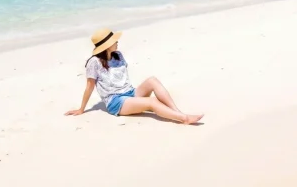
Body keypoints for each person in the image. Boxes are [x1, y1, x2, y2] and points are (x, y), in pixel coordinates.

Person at [66, 28, 203, 124]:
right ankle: (184, 119)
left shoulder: (118, 55)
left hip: (130, 93)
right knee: (152, 102)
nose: (117, 42)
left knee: (152, 80)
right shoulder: (94, 62)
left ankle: (177, 112)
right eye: (114, 40)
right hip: (116, 101)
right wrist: (81, 109)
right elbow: (89, 87)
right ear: (107, 45)